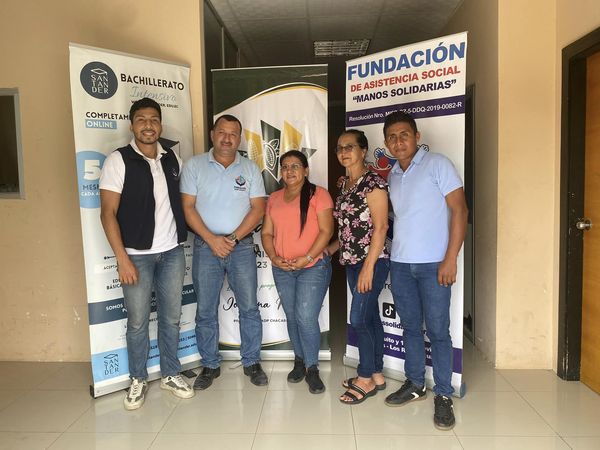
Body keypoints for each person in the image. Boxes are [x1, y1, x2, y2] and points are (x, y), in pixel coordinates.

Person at [99, 97, 194, 411]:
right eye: (141, 119)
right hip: (136, 256)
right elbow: (107, 213)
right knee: (138, 322)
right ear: (132, 125)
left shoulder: (171, 158)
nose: (148, 125)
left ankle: (170, 373)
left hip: (172, 252)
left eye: (154, 119)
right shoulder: (118, 160)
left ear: (161, 125)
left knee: (171, 318)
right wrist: (122, 258)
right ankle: (137, 379)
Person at [383, 111, 468, 430]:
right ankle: (416, 383)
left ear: (417, 137)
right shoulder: (393, 175)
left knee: (438, 331)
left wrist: (450, 259)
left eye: (404, 134)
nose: (398, 141)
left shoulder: (438, 164)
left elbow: (460, 211)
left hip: (435, 264)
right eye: (392, 137)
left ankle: (443, 394)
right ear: (387, 143)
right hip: (401, 264)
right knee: (409, 328)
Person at [180, 114, 268, 389]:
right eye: (222, 132)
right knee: (206, 310)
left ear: (239, 138)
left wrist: (231, 239)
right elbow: (187, 208)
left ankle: (252, 361)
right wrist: (212, 239)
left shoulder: (250, 168)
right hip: (206, 247)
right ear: (212, 134)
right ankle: (210, 364)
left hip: (241, 247)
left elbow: (258, 209)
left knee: (249, 307)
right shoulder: (194, 166)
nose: (227, 138)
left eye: (233, 133)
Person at [261, 150, 333, 394]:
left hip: (313, 267)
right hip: (283, 268)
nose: (289, 171)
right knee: (292, 317)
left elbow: (326, 231)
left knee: (305, 317)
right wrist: (274, 257)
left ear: (306, 170)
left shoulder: (318, 194)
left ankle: (312, 368)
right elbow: (266, 233)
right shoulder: (274, 198)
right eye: (284, 166)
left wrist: (308, 258)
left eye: (295, 166)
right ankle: (299, 361)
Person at [327, 130, 390, 405]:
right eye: (340, 148)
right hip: (351, 261)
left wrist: (368, 268)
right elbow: (348, 228)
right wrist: (331, 249)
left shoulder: (373, 183)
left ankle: (364, 377)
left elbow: (381, 227)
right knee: (371, 317)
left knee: (360, 319)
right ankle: (377, 373)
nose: (343, 152)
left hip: (372, 261)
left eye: (350, 147)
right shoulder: (345, 184)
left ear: (363, 151)